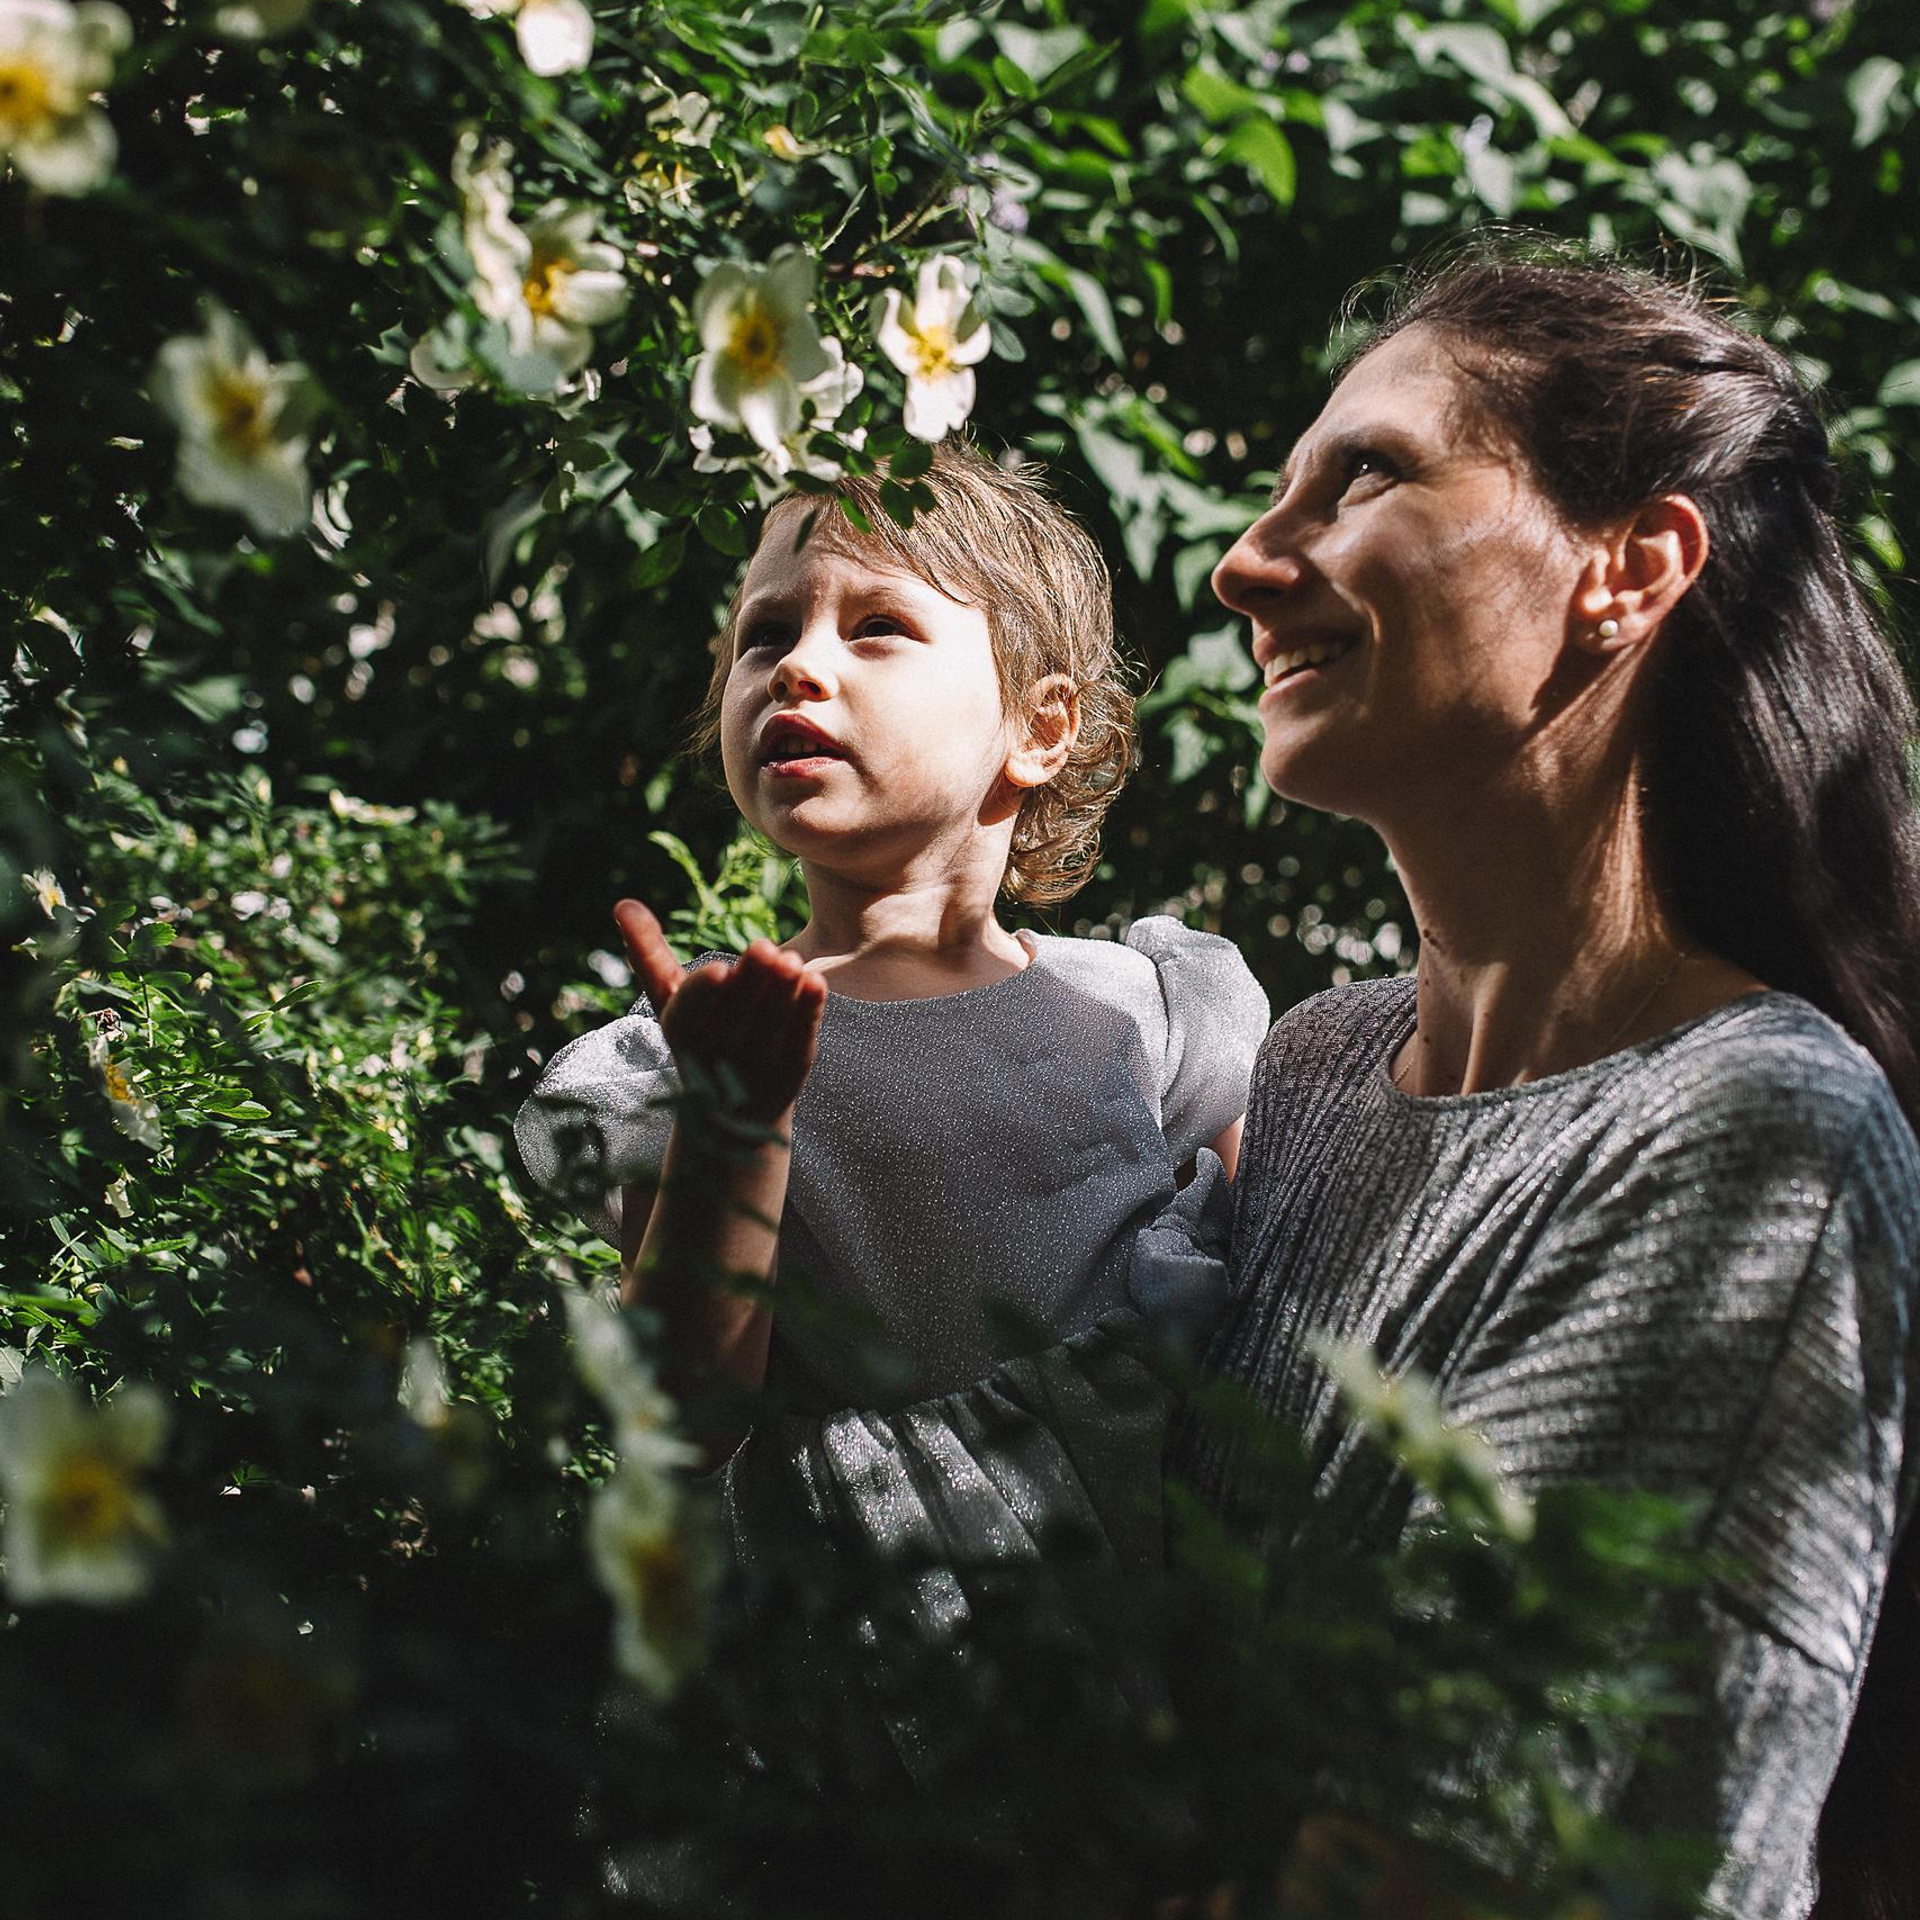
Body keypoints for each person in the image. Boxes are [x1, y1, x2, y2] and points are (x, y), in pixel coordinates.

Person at [1173, 241, 1920, 1918]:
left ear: (1631, 568)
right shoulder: (1312, 1074)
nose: (1245, 566)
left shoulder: (1750, 1142)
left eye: (1364, 476)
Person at [517, 441, 1269, 1784]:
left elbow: (1267, 1333)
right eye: (763, 635)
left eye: (877, 628)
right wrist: (733, 1127)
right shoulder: (712, 1043)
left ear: (1038, 727)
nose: (797, 668)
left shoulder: (1147, 1008)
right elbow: (680, 1414)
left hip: (1148, 1651)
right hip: (859, 1685)